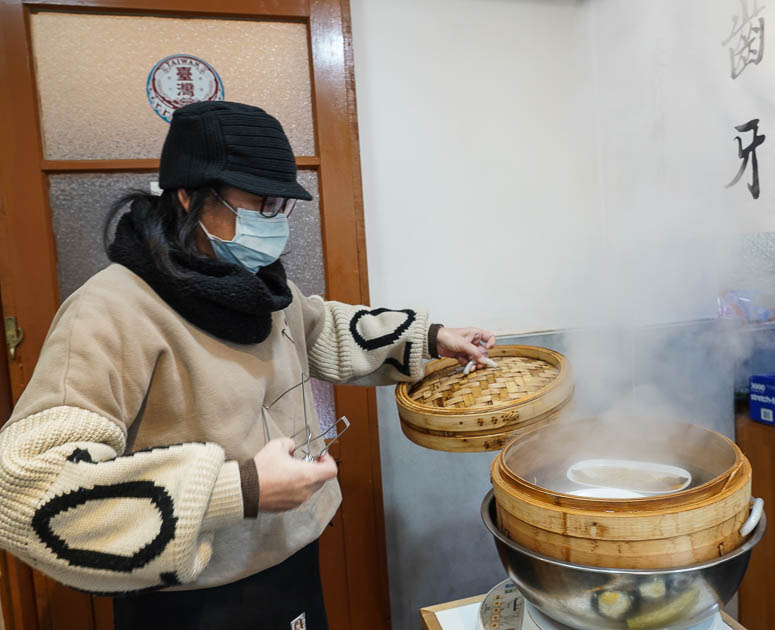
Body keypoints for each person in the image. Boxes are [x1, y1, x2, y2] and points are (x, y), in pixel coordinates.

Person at [0, 101, 495, 629]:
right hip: (192, 598)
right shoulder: (111, 310)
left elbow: (319, 326)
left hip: (292, 563)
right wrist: (242, 489)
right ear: (189, 196)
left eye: (281, 205)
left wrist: (432, 336)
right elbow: (25, 488)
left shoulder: (257, 284)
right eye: (259, 203)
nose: (274, 221)